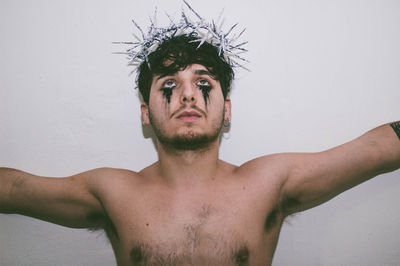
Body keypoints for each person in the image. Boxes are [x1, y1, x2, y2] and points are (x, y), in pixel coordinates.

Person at [1, 2, 400, 266]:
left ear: (227, 111)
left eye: (203, 83)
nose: (188, 93)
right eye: (169, 85)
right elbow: (15, 189)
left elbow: (376, 149)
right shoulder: (114, 192)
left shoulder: (267, 183)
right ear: (146, 113)